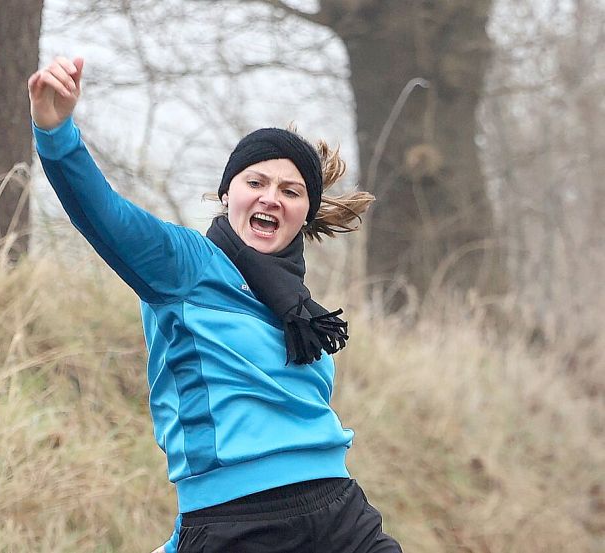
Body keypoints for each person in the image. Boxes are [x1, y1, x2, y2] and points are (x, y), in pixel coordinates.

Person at [28, 55, 402, 553]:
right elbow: (104, 213)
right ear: (229, 194)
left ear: (304, 213)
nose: (271, 198)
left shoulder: (305, 314)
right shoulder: (184, 266)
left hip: (340, 515)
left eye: (290, 191)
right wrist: (56, 135)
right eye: (256, 183)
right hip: (239, 522)